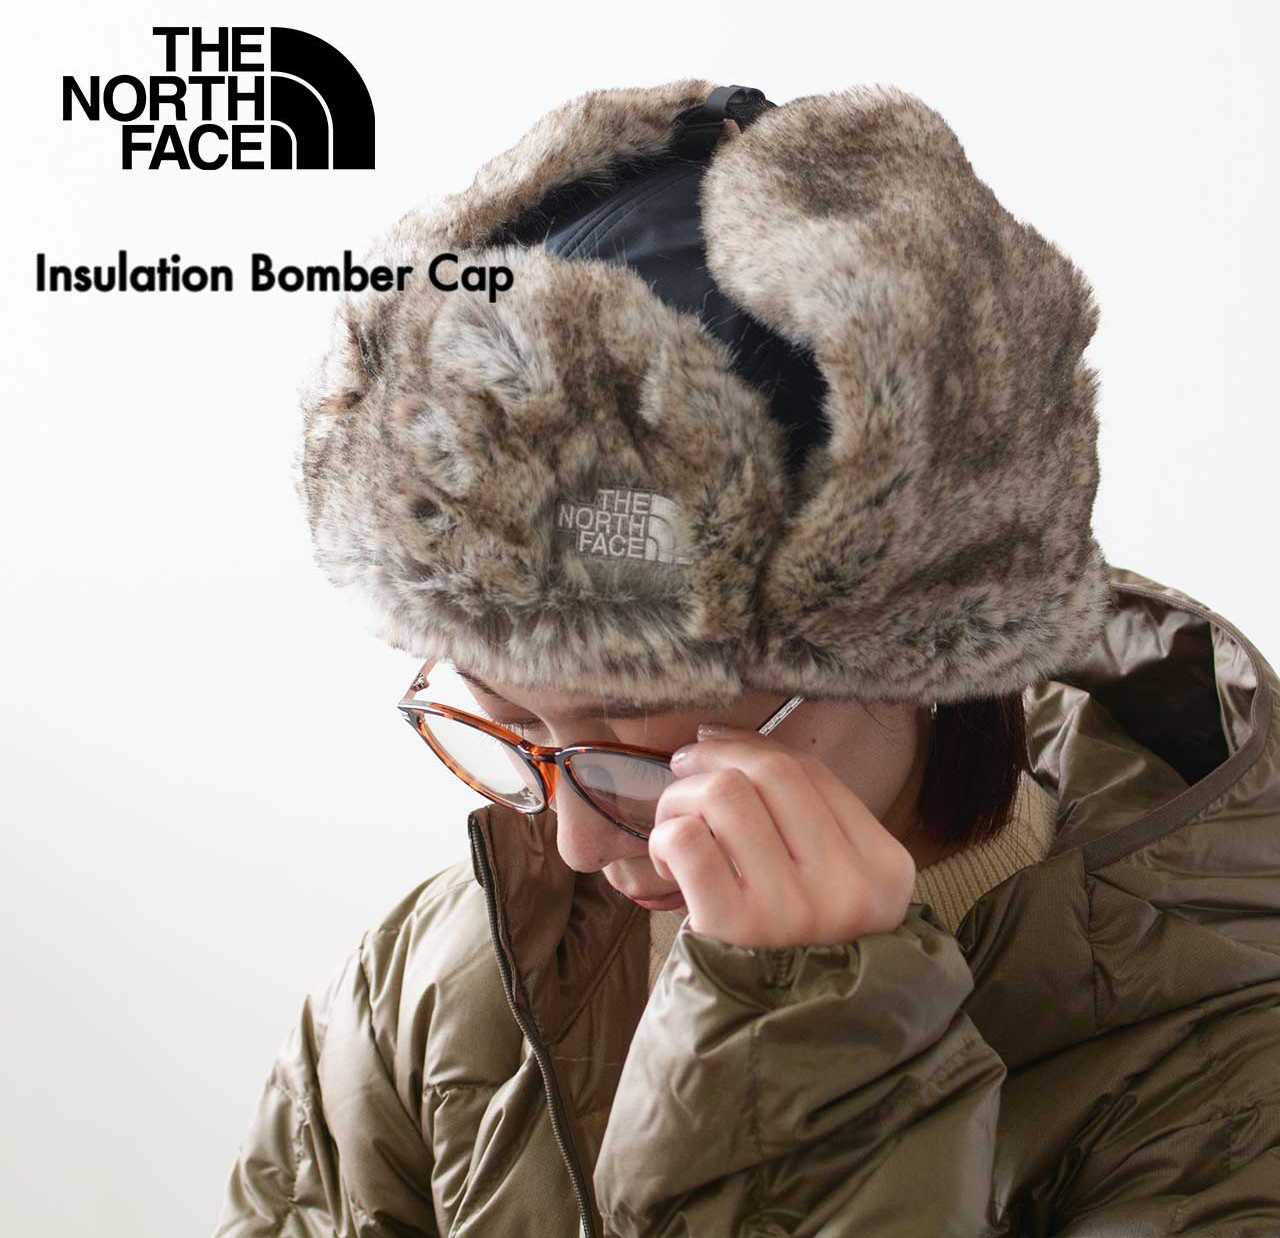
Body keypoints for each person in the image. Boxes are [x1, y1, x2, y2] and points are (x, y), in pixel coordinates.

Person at [214, 81, 1280, 1237]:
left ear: (908, 659)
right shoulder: (434, 985)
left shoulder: (1226, 1083)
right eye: (512, 732)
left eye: (643, 753)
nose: (572, 845)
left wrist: (805, 1059)